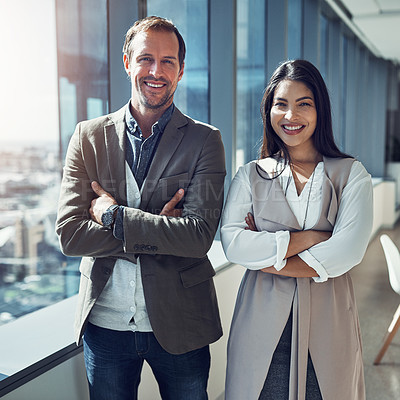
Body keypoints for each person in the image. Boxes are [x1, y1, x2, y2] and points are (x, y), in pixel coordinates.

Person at [56, 16, 225, 400]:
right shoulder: (88, 135)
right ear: (127, 62)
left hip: (182, 320)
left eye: (168, 61)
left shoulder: (205, 141)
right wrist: (158, 231)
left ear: (181, 70)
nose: (156, 71)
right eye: (146, 58)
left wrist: (115, 216)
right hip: (105, 323)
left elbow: (198, 237)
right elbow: (69, 233)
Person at [221, 59, 373, 400]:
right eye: (281, 104)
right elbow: (233, 243)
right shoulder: (250, 175)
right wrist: (312, 238)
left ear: (321, 111)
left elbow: (348, 251)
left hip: (329, 321)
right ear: (268, 111)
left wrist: (266, 254)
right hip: (261, 323)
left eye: (304, 104)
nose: (291, 116)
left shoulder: (351, 173)